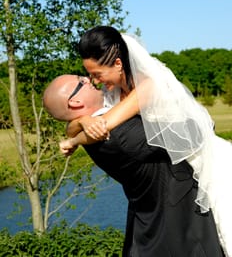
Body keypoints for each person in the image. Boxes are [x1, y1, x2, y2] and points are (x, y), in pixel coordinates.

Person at [66, 26, 232, 257]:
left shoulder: (148, 85)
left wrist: (72, 141)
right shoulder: (113, 89)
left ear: (117, 64)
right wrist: (80, 121)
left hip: (208, 161)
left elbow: (105, 123)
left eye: (97, 74)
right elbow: (87, 120)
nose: (94, 81)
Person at [43, 74, 225, 257]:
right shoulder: (121, 134)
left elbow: (77, 124)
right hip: (181, 232)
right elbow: (197, 132)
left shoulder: (94, 129)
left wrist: (79, 123)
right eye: (80, 81)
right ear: (75, 101)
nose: (87, 78)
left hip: (151, 224)